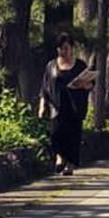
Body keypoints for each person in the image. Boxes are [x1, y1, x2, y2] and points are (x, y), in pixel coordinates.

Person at [40, 33, 92, 176]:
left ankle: (70, 164)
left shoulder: (80, 65)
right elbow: (45, 87)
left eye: (66, 48)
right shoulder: (51, 66)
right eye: (61, 49)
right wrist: (42, 105)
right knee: (55, 133)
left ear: (71, 48)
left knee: (73, 136)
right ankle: (59, 157)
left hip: (75, 106)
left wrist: (83, 84)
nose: (63, 51)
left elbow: (90, 85)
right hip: (56, 106)